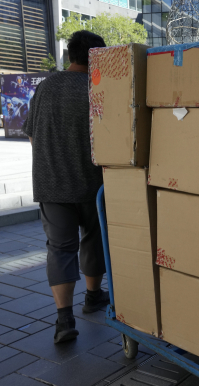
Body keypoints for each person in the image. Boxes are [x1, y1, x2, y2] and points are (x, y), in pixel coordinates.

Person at [22, 30, 109, 344]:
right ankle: (94, 295)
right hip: (92, 183)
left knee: (60, 250)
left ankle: (64, 321)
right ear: (97, 56)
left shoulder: (45, 86)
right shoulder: (99, 88)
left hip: (51, 184)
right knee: (93, 240)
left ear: (70, 55)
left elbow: (31, 134)